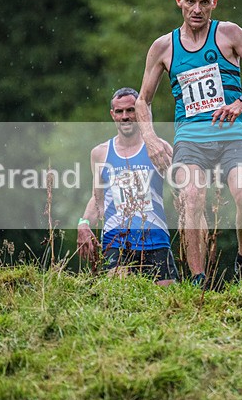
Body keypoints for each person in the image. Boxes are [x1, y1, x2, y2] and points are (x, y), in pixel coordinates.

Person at [134, 0, 242, 287]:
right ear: (179, 2)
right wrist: (151, 138)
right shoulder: (163, 47)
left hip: (232, 136)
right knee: (192, 197)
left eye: (203, 2)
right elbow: (142, 101)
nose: (196, 9)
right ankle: (198, 278)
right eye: (190, 2)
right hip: (190, 139)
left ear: (214, 2)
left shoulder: (229, 34)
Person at [77, 88, 179, 286]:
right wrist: (84, 223)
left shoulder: (159, 148)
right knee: (120, 296)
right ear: (112, 115)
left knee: (168, 302)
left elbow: (181, 189)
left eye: (131, 110)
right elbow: (98, 200)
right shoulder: (100, 153)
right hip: (117, 238)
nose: (125, 117)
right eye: (120, 111)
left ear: (141, 113)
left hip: (155, 236)